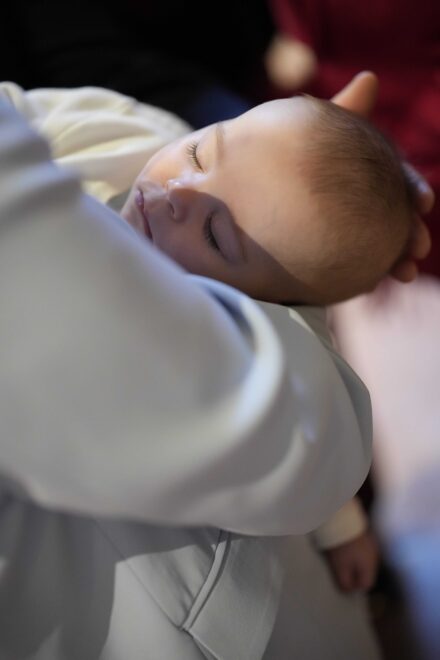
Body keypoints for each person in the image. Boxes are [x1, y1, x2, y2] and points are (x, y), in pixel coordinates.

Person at [0, 73, 430, 659]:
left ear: (259, 306)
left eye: (214, 235)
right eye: (201, 152)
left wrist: (341, 524)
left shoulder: (231, 347)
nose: (179, 190)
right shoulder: (128, 129)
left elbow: (294, 404)